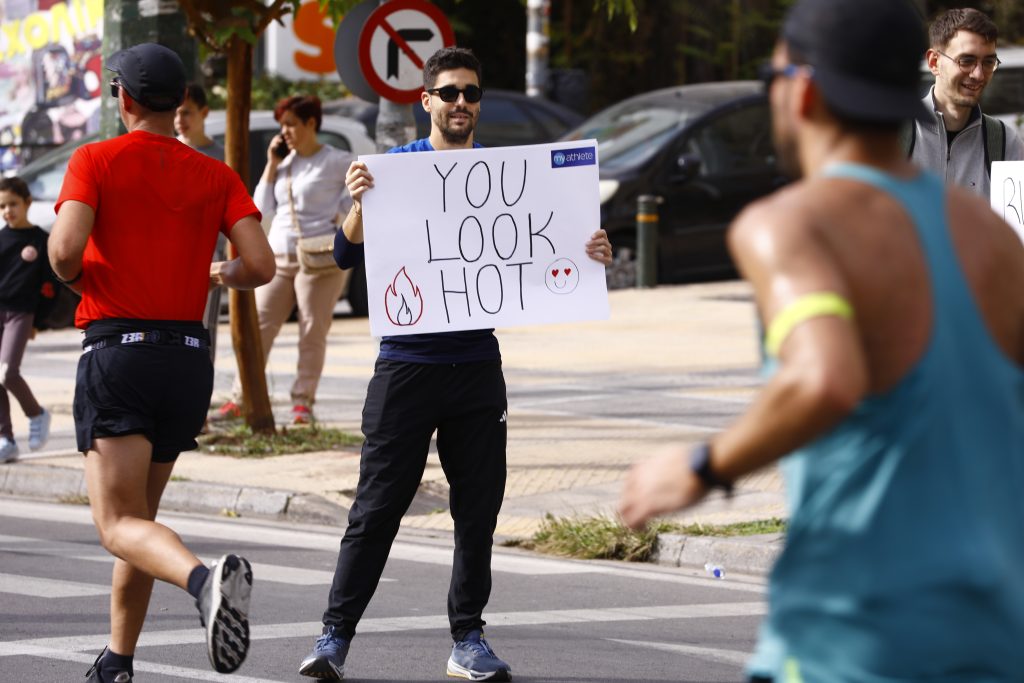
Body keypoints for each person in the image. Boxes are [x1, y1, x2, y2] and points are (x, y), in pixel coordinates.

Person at [618, 0, 1024, 680]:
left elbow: (823, 378)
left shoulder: (791, 224)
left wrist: (701, 466)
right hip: (994, 624)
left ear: (800, 88)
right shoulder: (994, 240)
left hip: (856, 625)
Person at [298, 47, 613, 681]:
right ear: (427, 102)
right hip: (405, 367)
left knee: (477, 510)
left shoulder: (511, 176)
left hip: (475, 367)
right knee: (377, 508)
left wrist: (591, 252)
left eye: (471, 92)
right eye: (449, 93)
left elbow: (549, 248)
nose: (461, 103)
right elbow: (343, 254)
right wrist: (359, 203)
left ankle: (467, 639)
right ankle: (333, 637)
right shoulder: (396, 170)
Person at [49, 42, 275, 682]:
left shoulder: (94, 158)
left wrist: (82, 278)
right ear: (180, 104)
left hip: (119, 353)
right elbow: (260, 266)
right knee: (139, 525)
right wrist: (213, 272)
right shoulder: (216, 172)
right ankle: (117, 662)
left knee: (117, 524)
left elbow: (65, 253)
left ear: (122, 98)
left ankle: (204, 584)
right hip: (187, 362)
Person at [211, 95, 354, 425]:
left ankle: (302, 402)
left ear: (311, 124)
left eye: (291, 124)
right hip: (278, 256)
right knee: (259, 327)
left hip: (318, 259)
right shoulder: (285, 162)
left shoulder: (337, 160)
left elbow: (358, 195)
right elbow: (262, 208)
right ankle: (240, 396)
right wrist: (272, 166)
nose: (285, 131)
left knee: (311, 330)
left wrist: (339, 218)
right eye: (282, 125)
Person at [909, 7, 1024, 196]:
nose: (978, 74)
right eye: (966, 60)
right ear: (934, 62)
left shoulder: (1005, 143)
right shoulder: (895, 135)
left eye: (988, 62)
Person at [0, 176, 53, 463]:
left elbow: (49, 287)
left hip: (21, 314)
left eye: (13, 204)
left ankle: (37, 414)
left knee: (7, 372)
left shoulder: (40, 240)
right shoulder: (1, 238)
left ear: (27, 203)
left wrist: (39, 322)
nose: (8, 211)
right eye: (3, 206)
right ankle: (5, 439)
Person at [175, 82, 226, 367]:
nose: (179, 121)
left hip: (207, 255)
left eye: (187, 113)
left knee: (203, 331)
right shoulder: (166, 152)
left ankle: (198, 402)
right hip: (169, 253)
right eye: (176, 113)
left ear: (204, 112)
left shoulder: (221, 157)